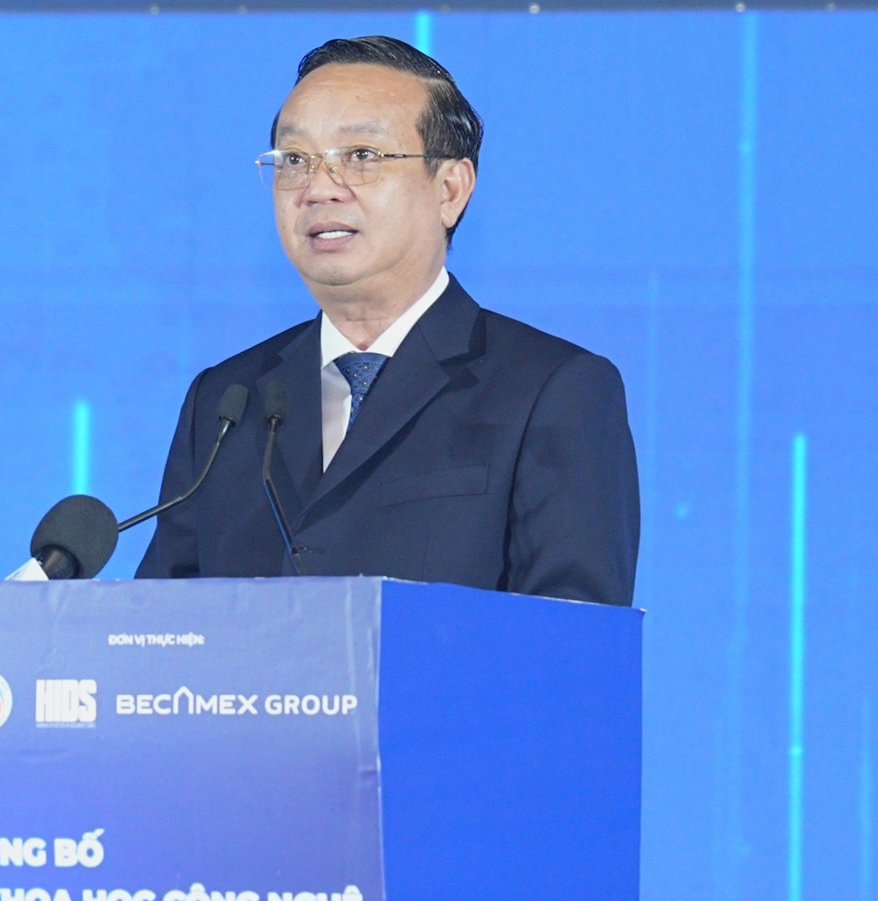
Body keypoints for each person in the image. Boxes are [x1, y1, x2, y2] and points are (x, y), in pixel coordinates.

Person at [134, 36, 640, 606]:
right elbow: (160, 626)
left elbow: (574, 639)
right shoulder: (227, 399)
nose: (319, 188)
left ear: (450, 189)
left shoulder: (553, 389)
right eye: (295, 160)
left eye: (362, 156)